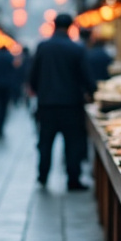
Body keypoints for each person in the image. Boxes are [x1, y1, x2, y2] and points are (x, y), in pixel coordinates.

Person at [28, 13, 96, 190]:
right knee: (72, 143)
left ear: (54, 25)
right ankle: (73, 179)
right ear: (71, 27)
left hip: (47, 104)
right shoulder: (77, 48)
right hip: (71, 104)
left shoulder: (43, 47)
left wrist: (37, 90)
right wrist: (93, 93)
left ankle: (42, 175)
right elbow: (86, 76)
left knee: (45, 142)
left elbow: (33, 74)